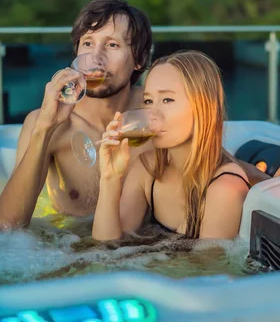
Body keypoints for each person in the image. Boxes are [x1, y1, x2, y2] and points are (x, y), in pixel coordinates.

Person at [0, 0, 270, 230]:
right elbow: (8, 227)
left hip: (141, 247)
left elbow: (214, 160)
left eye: (112, 45)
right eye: (87, 44)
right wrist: (45, 126)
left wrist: (275, 182)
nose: (96, 58)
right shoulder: (45, 123)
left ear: (139, 59)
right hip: (71, 245)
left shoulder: (157, 114)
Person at [92, 51, 251, 240]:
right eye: (149, 101)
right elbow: (107, 249)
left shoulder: (225, 187)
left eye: (167, 100)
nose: (153, 113)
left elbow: (208, 267)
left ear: (204, 106)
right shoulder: (147, 169)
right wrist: (109, 179)